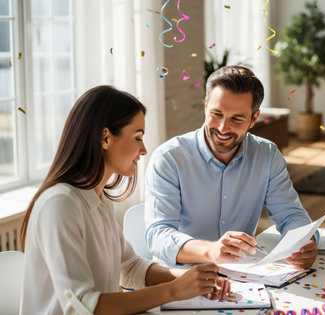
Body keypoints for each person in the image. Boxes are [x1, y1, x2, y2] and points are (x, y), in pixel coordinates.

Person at [19, 85, 229, 315]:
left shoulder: (98, 200)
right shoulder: (60, 204)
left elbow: (128, 267)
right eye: (137, 137)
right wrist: (174, 290)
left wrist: (190, 279)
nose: (144, 149)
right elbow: (80, 304)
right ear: (105, 137)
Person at [145, 65, 319, 269]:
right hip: (180, 279)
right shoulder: (169, 158)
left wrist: (305, 242)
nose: (222, 128)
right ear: (205, 106)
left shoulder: (267, 155)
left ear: (254, 118)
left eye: (236, 119)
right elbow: (158, 235)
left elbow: (290, 214)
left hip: (242, 275)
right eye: (216, 114)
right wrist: (210, 251)